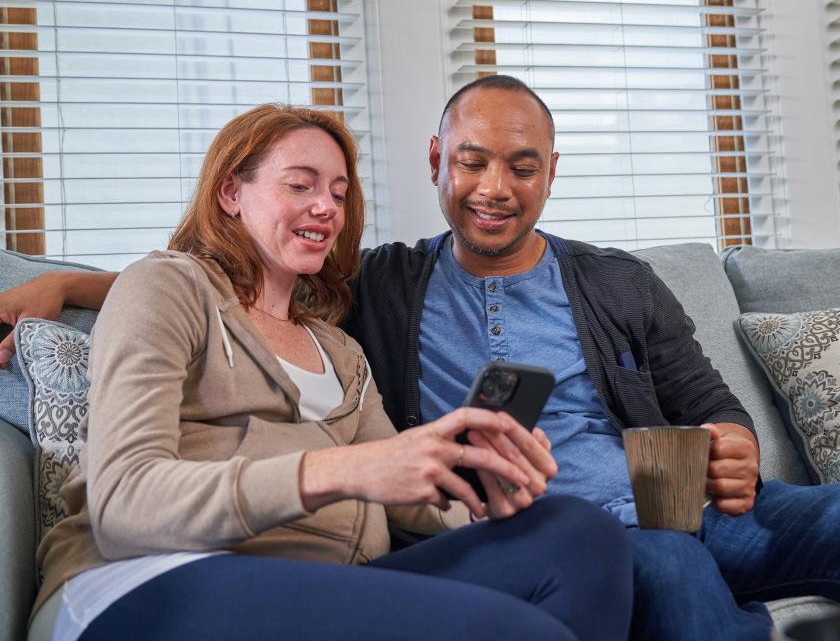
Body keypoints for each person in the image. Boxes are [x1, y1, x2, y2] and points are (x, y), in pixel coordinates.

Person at [4, 78, 840, 641]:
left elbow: (703, 401)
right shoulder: (376, 289)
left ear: (549, 174)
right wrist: (63, 285)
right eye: (472, 161)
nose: (494, 185)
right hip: (569, 528)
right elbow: (222, 279)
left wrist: (732, 444)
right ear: (437, 165)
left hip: (678, 503)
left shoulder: (610, 281)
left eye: (521, 165)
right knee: (659, 569)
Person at [12, 103, 635, 641]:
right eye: (300, 185)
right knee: (515, 634)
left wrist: (482, 498)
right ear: (232, 192)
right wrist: (349, 469)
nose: (325, 208)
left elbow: (414, 497)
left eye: (338, 193)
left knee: (581, 534)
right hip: (146, 579)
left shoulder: (340, 350)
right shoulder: (169, 288)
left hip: (325, 583)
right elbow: (123, 504)